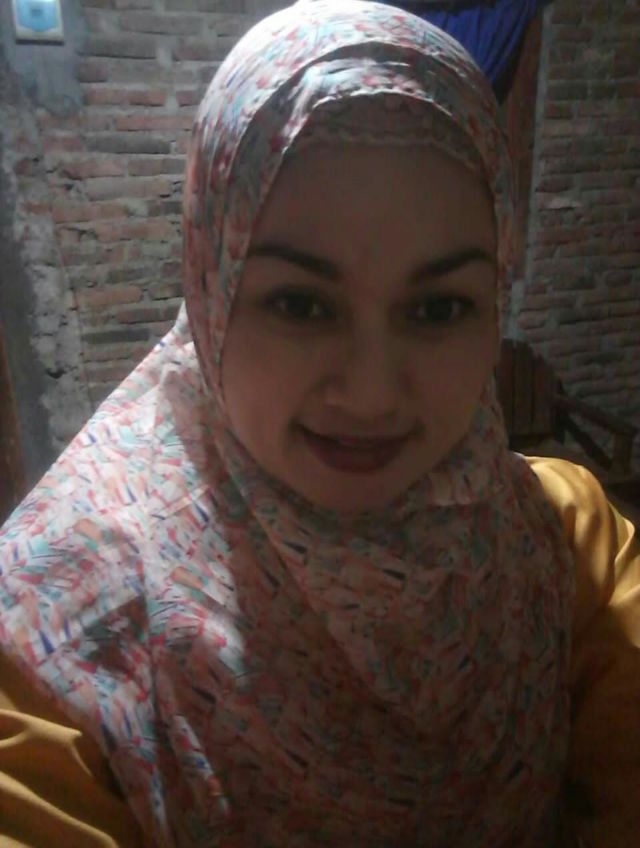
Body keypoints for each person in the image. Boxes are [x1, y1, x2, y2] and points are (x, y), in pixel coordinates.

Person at [1, 1, 638, 846]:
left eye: (439, 307)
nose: (371, 393)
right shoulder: (58, 629)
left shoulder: (569, 545)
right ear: (210, 291)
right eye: (300, 304)